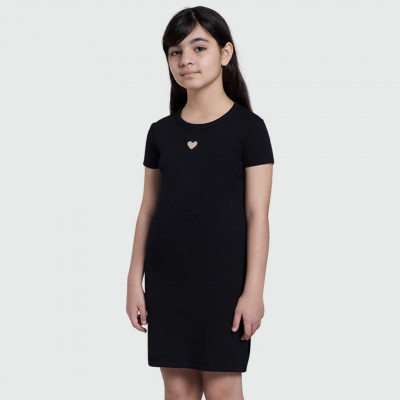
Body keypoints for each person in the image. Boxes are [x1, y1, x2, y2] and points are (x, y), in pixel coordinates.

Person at [126, 6, 275, 400]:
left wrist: (253, 291)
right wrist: (134, 281)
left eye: (198, 47)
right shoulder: (161, 132)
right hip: (168, 279)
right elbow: (148, 210)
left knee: (223, 387)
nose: (185, 59)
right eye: (175, 51)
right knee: (178, 390)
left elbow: (257, 215)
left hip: (224, 282)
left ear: (225, 53)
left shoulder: (249, 129)